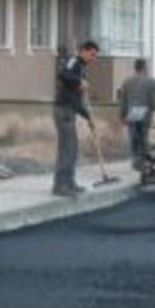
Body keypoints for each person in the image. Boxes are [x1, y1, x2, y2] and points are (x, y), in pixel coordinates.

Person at [53, 40, 99, 197]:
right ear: (83, 51)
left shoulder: (81, 70)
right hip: (63, 110)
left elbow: (77, 102)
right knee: (68, 149)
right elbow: (63, 74)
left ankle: (69, 183)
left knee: (72, 149)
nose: (94, 58)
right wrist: (79, 81)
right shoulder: (74, 61)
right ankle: (61, 186)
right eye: (92, 54)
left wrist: (88, 118)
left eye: (95, 56)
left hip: (70, 110)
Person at [119, 59, 155, 172]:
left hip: (132, 113)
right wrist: (151, 108)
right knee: (143, 138)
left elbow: (123, 100)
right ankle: (141, 162)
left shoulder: (127, 81)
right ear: (144, 67)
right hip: (145, 113)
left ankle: (135, 162)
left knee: (134, 138)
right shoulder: (151, 81)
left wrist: (122, 115)